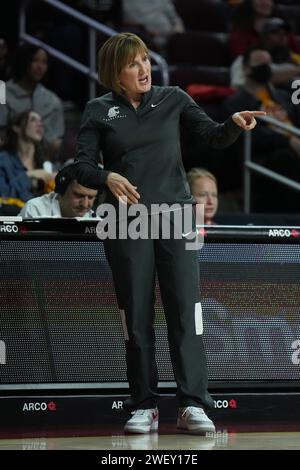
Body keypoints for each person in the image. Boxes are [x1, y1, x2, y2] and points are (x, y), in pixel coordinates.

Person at [75, 32, 264, 434]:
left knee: (186, 312)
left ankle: (193, 403)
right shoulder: (97, 110)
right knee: (136, 315)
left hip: (177, 216)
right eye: (133, 63)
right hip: (125, 220)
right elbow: (81, 166)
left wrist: (232, 123)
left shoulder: (174, 98)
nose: (144, 68)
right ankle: (144, 404)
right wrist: (107, 175)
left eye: (145, 59)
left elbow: (212, 136)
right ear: (115, 73)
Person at [0, 44, 65, 159]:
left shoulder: (53, 100)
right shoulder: (2, 91)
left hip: (44, 160)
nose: (40, 67)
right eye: (35, 60)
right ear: (24, 61)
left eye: (44, 62)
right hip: (10, 158)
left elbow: (56, 140)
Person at [0, 109, 55, 215]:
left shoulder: (45, 162)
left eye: (41, 121)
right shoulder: (3, 160)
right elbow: (3, 194)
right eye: (33, 120)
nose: (40, 124)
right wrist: (29, 176)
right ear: (17, 128)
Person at [19, 161, 102, 218]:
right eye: (79, 195)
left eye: (91, 197)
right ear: (61, 190)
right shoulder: (35, 210)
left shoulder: (95, 221)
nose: (84, 204)